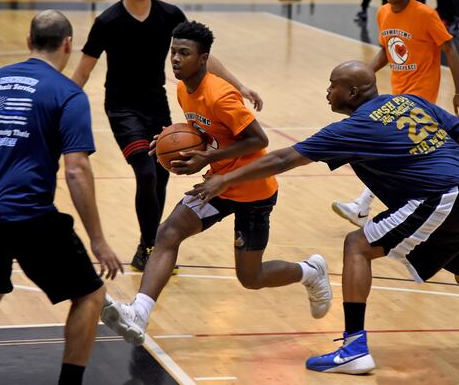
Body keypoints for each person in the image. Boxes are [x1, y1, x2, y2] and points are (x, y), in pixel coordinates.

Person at [188, 60, 459, 375]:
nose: (327, 91)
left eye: (334, 86)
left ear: (354, 93)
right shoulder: (406, 101)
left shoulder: (355, 127)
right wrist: (434, 168)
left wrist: (225, 178)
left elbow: (283, 159)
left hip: (440, 196)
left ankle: (353, 348)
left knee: (356, 245)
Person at [100, 21, 333, 346]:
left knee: (250, 278)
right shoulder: (183, 89)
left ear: (204, 58)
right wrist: (172, 143)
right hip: (216, 185)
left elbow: (258, 140)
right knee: (168, 233)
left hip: (252, 189)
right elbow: (207, 135)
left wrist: (207, 160)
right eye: (173, 52)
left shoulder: (222, 95)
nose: (176, 59)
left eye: (184, 53)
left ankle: (311, 271)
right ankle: (139, 313)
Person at [0, 10, 123, 385]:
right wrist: (97, 239)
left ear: (29, 42)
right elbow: (76, 170)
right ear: (68, 45)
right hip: (26, 214)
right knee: (91, 294)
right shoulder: (67, 94)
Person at [72, 0, 263, 271]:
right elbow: (82, 73)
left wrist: (240, 87)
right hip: (121, 110)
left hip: (156, 105)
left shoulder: (169, 15)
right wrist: (55, 108)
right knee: (145, 172)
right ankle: (150, 246)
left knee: (160, 176)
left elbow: (203, 57)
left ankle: (148, 244)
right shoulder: (107, 22)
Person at [333, 0, 459, 226]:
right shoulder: (383, 12)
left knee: (389, 146)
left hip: (419, 96)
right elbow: (387, 48)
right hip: (397, 91)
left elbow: (449, 49)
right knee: (409, 152)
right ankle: (446, 189)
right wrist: (366, 75)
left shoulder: (426, 15)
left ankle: (364, 204)